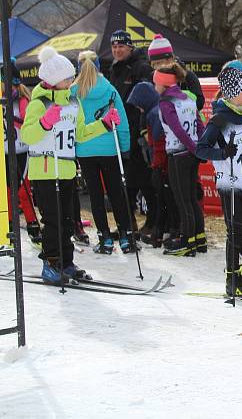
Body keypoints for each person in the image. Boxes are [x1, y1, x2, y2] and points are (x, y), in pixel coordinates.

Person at [21, 46, 120, 283]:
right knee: (53, 221)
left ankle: (67, 262)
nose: (71, 81)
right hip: (44, 171)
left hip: (66, 169)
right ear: (54, 80)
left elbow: (81, 134)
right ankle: (51, 263)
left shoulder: (73, 102)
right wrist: (45, 123)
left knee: (68, 221)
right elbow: (27, 135)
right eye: (67, 78)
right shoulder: (39, 103)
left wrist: (104, 124)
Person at [196, 66, 242, 297]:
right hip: (231, 183)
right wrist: (222, 153)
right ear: (234, 91)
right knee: (236, 231)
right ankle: (232, 278)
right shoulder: (219, 119)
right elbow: (201, 150)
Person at [148, 34, 208, 251]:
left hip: (178, 153)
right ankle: (199, 239)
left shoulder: (166, 102)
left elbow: (177, 129)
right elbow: (198, 124)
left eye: (156, 83)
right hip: (191, 154)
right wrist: (200, 146)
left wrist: (193, 146)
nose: (154, 87)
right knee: (192, 198)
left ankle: (187, 241)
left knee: (183, 199)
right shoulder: (187, 97)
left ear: (163, 84)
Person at [70, 50, 133, 254]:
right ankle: (125, 236)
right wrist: (124, 147)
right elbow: (121, 120)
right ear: (99, 66)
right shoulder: (109, 90)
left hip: (85, 149)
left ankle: (104, 237)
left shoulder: (73, 91)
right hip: (108, 148)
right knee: (116, 192)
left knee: (95, 195)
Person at [107, 30, 155, 237]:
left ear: (130, 47)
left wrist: (140, 130)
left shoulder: (140, 67)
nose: (117, 50)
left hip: (138, 133)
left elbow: (146, 102)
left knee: (145, 183)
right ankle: (127, 224)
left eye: (121, 46)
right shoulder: (114, 69)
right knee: (123, 183)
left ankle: (153, 223)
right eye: (114, 47)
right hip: (119, 134)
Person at [128, 81, 178, 248]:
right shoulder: (153, 111)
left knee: (166, 200)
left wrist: (157, 166)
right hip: (163, 163)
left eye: (139, 105)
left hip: (163, 164)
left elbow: (158, 144)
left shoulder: (155, 114)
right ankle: (160, 232)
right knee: (163, 199)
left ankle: (168, 232)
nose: (139, 109)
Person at [2, 59, 41, 243]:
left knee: (23, 191)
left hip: (22, 151)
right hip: (5, 151)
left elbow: (27, 122)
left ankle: (33, 225)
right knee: (8, 191)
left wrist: (13, 115)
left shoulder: (23, 99)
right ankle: (9, 225)